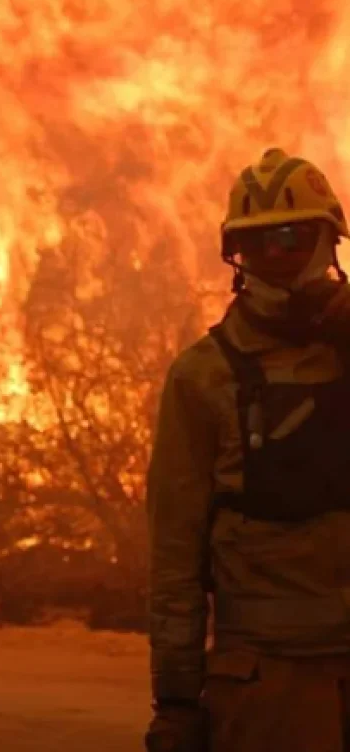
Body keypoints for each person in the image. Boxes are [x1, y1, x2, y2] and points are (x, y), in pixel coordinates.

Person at [145, 148, 350, 752]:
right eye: (259, 243)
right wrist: (177, 702)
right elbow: (175, 558)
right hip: (268, 692)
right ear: (237, 255)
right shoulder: (203, 378)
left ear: (327, 240)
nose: (277, 257)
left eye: (293, 237)